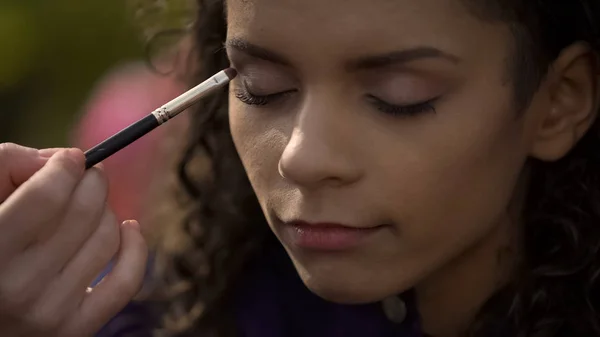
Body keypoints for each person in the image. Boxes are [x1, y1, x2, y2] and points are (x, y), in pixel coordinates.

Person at [1, 0, 599, 336]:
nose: (301, 157)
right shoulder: (183, 318)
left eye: (399, 95)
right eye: (263, 88)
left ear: (559, 102)